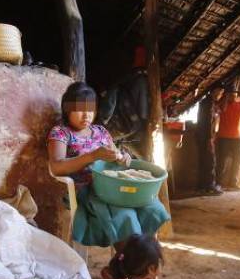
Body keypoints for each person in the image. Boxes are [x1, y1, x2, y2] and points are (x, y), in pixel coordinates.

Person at [47, 82, 170, 248]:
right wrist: (91, 156)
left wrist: (122, 158)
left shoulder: (101, 132)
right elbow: (56, 167)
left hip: (112, 187)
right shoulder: (60, 133)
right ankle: (127, 265)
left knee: (152, 208)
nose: (86, 116)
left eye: (90, 110)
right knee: (125, 216)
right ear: (67, 109)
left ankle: (142, 259)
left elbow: (114, 157)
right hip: (85, 190)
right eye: (79, 110)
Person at [97, 45, 151, 160]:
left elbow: (106, 111)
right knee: (144, 159)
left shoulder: (127, 81)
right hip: (128, 128)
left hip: (121, 129)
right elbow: (143, 114)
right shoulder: (140, 80)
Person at [216, 90, 240, 190]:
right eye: (230, 94)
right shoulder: (222, 104)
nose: (232, 96)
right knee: (221, 161)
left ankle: (233, 183)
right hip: (223, 137)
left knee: (238, 160)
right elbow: (222, 109)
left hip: (236, 137)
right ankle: (218, 183)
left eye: (233, 94)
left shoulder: (239, 104)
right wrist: (226, 98)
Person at [195, 87, 224, 195]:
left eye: (222, 93)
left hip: (201, 136)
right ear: (214, 91)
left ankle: (201, 187)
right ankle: (210, 186)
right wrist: (209, 139)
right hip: (205, 137)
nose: (220, 94)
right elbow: (208, 122)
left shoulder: (205, 102)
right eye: (220, 92)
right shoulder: (209, 104)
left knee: (203, 161)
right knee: (210, 161)